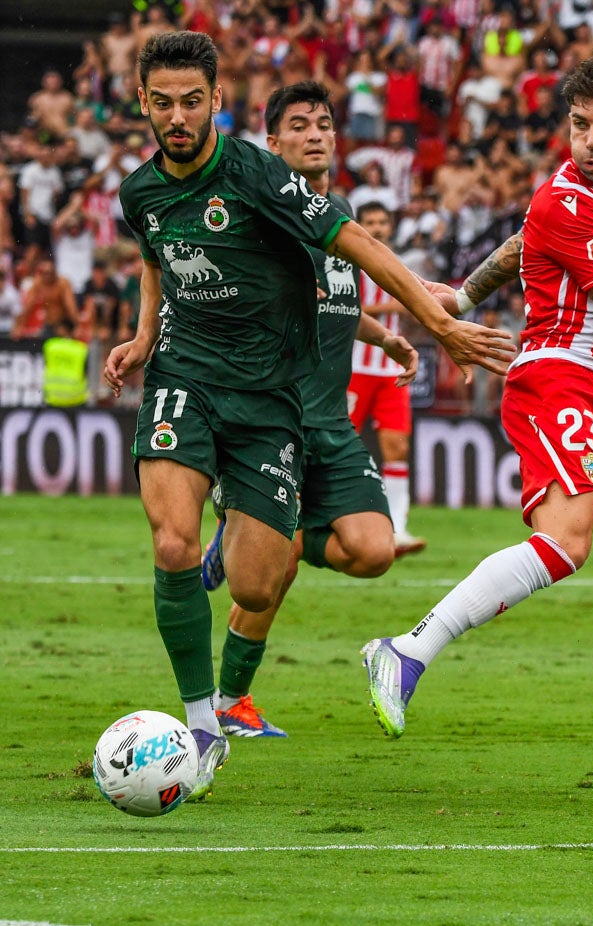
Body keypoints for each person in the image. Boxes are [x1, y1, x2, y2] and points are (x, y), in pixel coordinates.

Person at [101, 32, 514, 800]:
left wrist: (436, 321)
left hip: (270, 402)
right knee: (171, 541)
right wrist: (144, 336)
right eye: (163, 103)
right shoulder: (139, 192)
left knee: (258, 587)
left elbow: (357, 245)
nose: (178, 117)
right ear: (144, 103)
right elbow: (155, 258)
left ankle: (239, 538)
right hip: (185, 379)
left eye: (192, 101)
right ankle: (202, 724)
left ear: (217, 101)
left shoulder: (258, 175)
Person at [362, 56, 593, 757]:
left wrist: (463, 296)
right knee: (566, 542)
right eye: (579, 125)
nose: (590, 139)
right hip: (557, 377)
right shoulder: (567, 200)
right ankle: (406, 650)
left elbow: (517, 246)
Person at [198, 81, 430, 739]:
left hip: (330, 422)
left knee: (375, 550)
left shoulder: (341, 212)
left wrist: (381, 335)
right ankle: (230, 702)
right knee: (279, 562)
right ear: (272, 143)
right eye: (298, 126)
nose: (315, 135)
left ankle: (247, 536)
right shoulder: (262, 219)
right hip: (270, 421)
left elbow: (334, 303)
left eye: (323, 124)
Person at [344, 200, 430, 556]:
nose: (377, 228)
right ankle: (327, 516)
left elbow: (412, 306)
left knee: (397, 447)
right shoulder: (347, 262)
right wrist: (392, 306)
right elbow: (341, 307)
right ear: (358, 225)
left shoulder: (400, 265)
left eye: (382, 222)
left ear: (391, 226)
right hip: (353, 368)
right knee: (338, 444)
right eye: (370, 222)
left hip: (391, 371)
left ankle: (397, 528)